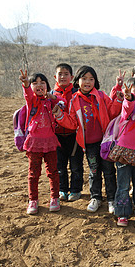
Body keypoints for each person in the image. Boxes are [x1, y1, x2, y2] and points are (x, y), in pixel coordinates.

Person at [53, 66, 122, 214]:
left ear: (95, 81)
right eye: (84, 78)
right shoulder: (74, 100)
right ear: (77, 81)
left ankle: (112, 200)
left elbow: (112, 112)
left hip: (105, 143)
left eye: (91, 79)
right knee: (94, 170)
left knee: (109, 171)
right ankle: (96, 197)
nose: (87, 82)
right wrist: (59, 116)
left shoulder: (101, 96)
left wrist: (119, 101)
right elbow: (72, 122)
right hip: (89, 144)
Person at [18, 70, 65, 215]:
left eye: (42, 82)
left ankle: (54, 198)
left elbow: (62, 103)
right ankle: (33, 200)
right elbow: (28, 95)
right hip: (34, 143)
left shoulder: (51, 100)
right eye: (35, 83)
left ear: (47, 86)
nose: (39, 85)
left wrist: (52, 97)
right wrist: (26, 85)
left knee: (53, 172)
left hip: (50, 142)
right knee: (34, 173)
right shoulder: (32, 101)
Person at [109, 78, 135, 228]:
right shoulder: (129, 106)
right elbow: (127, 108)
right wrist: (128, 98)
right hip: (123, 152)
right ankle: (123, 213)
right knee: (123, 185)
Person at [51, 63, 84, 202]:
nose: (63, 77)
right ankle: (62, 190)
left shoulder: (77, 93)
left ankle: (76, 190)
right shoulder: (50, 95)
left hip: (74, 135)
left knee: (76, 165)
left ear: (72, 77)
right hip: (56, 136)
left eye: (66, 74)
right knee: (59, 166)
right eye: (60, 74)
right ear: (55, 77)